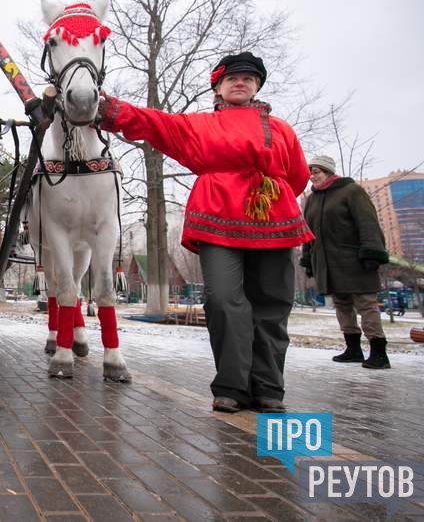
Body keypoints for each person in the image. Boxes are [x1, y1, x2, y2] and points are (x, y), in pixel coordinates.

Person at [96, 51, 313, 413]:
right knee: (223, 299)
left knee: (272, 303)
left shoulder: (282, 129)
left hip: (273, 218)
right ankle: (232, 386)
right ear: (218, 87)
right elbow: (155, 123)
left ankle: (268, 388)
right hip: (218, 218)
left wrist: (268, 195)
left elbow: (298, 176)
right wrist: (112, 110)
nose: (240, 82)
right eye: (232, 78)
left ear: (257, 86)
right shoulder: (199, 125)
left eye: (248, 78)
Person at [300, 155, 391, 369]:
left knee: (366, 305)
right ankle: (353, 349)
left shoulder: (352, 191)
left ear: (328, 171)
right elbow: (308, 232)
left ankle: (379, 352)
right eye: (310, 173)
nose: (312, 176)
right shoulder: (312, 199)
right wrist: (309, 259)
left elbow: (368, 223)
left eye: (316, 172)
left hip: (355, 261)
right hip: (328, 264)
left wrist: (372, 253)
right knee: (342, 305)